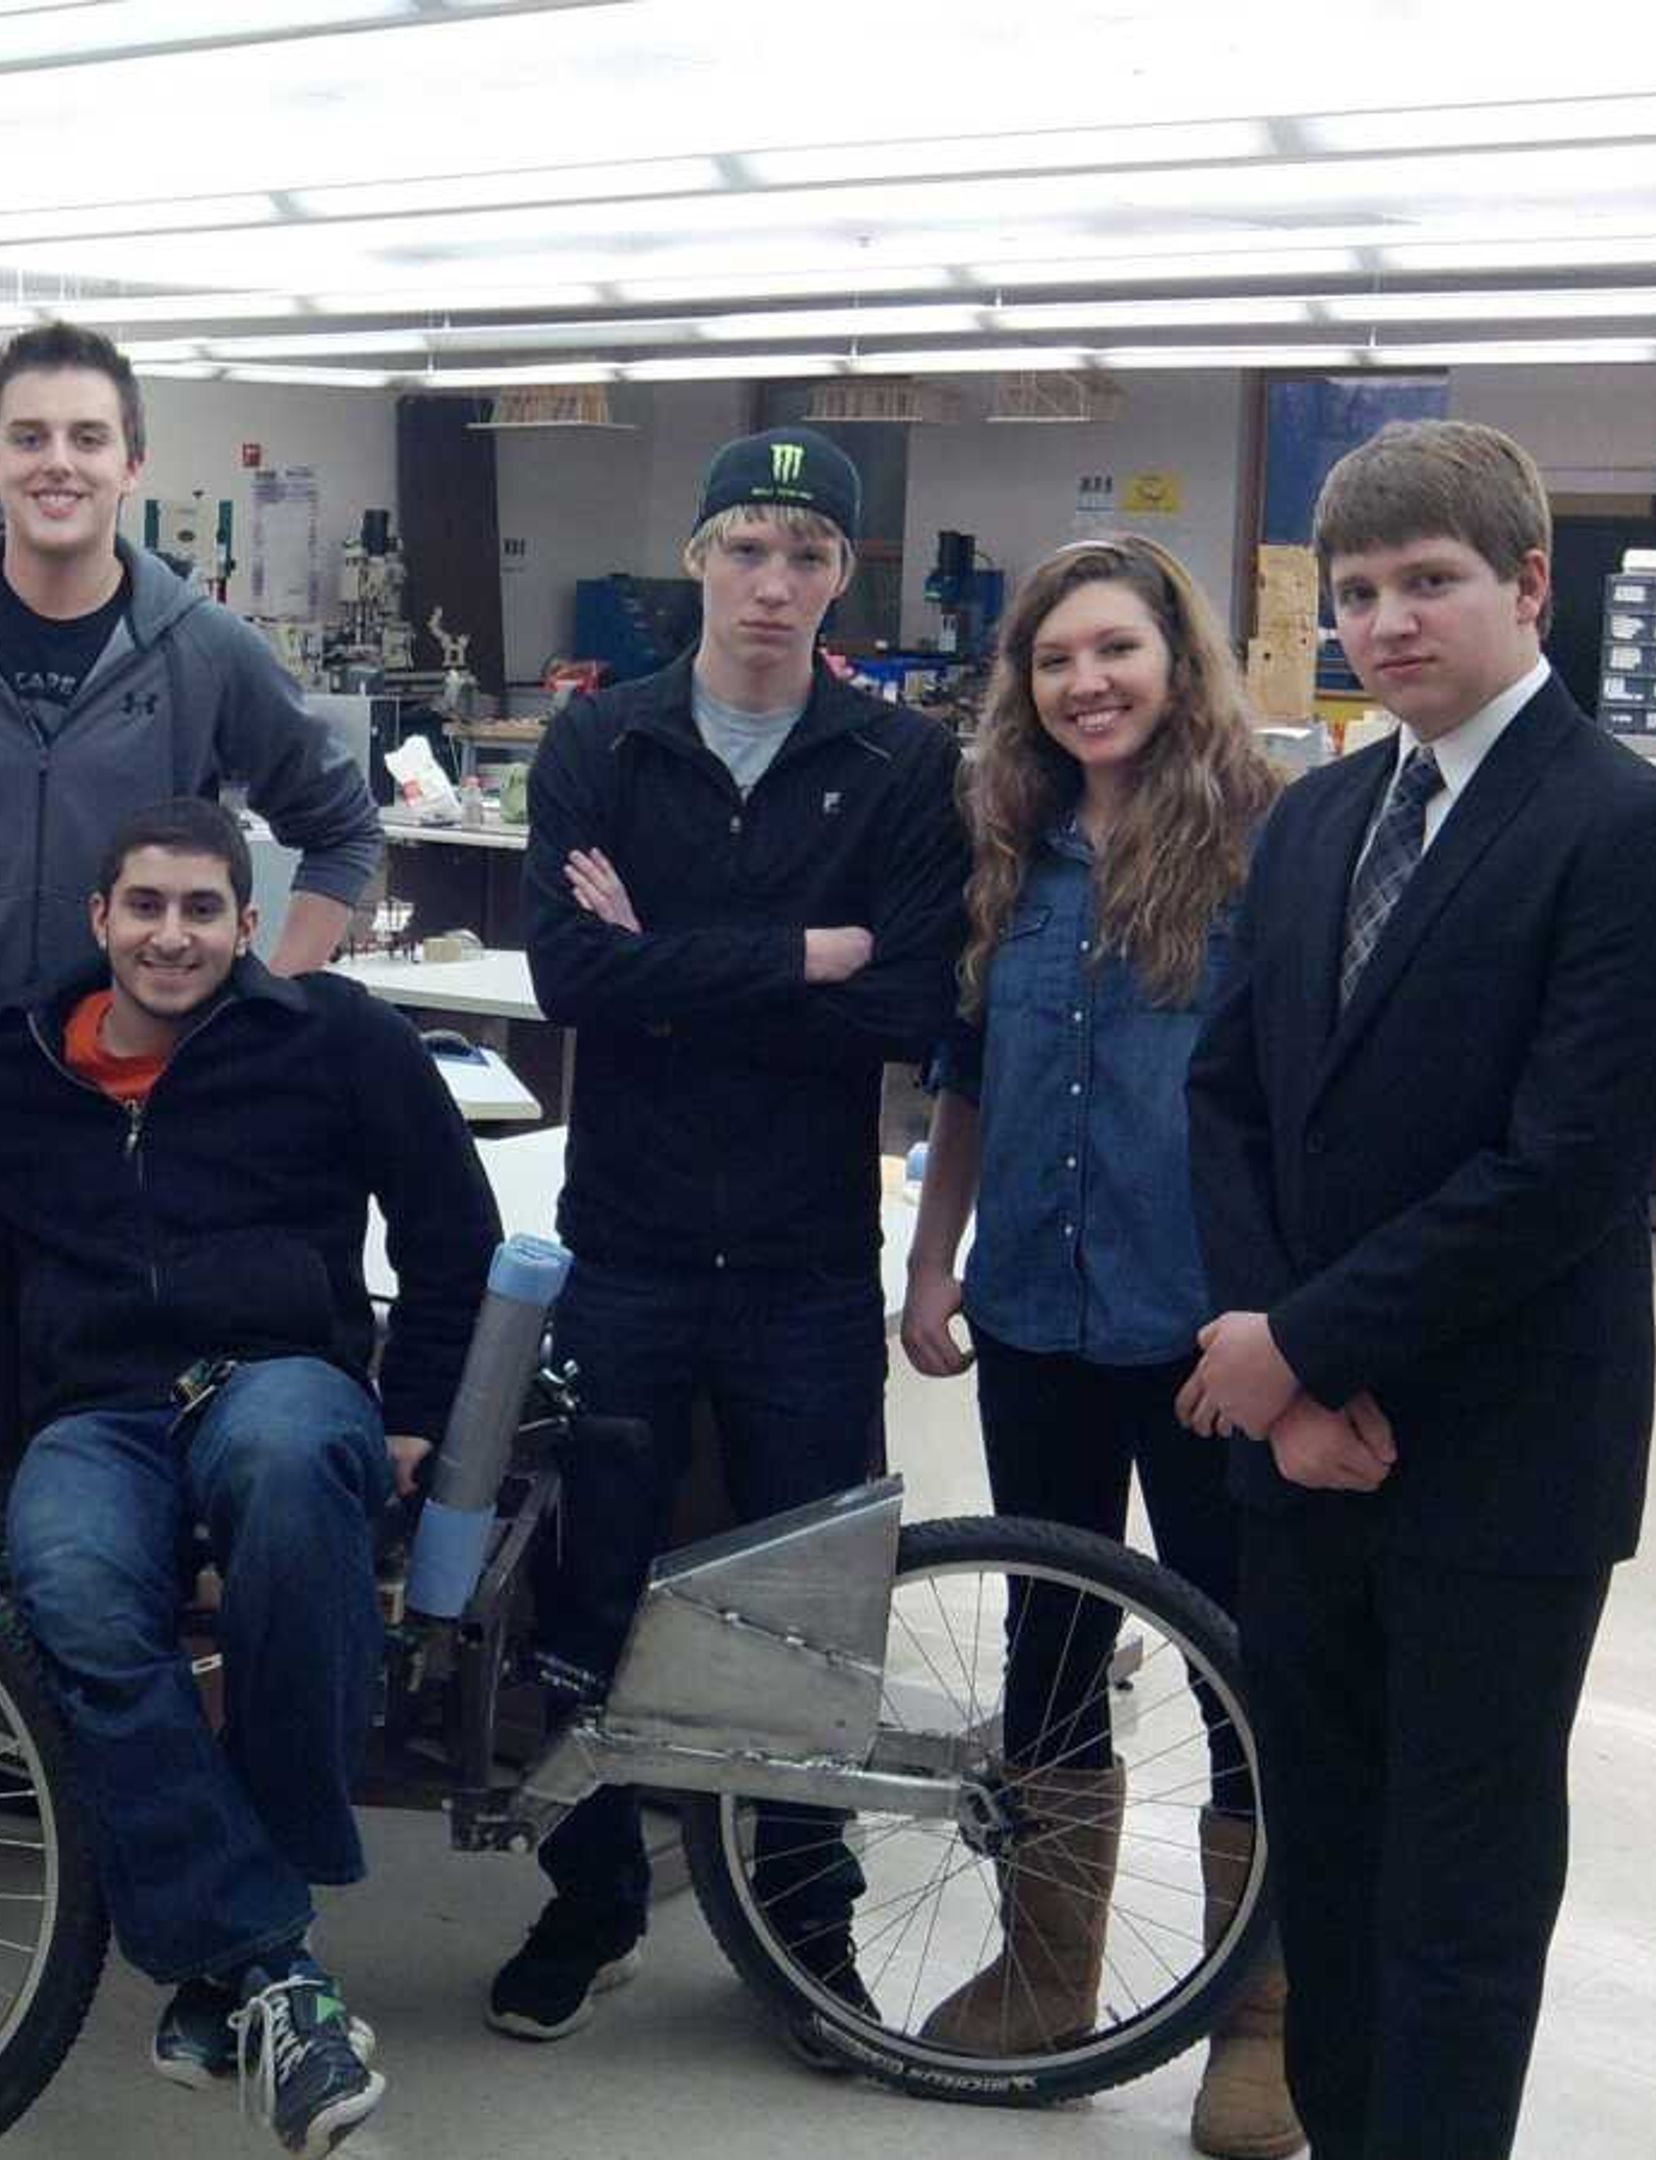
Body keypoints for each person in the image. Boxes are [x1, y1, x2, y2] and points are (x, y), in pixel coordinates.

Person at [0, 796, 496, 2158]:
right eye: (146, 908)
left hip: (276, 1377)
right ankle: (268, 1963)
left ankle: (245, 1923)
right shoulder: (19, 1066)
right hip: (101, 1411)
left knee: (298, 1476)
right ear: (100, 921)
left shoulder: (337, 1039)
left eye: (201, 911)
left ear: (248, 926)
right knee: (66, 1585)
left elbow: (452, 1228)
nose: (171, 937)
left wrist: (416, 1412)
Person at [1183, 419, 1656, 2158]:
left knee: (1460, 1890)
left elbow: (1564, 1168)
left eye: (1431, 581)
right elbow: (1228, 1099)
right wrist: (1282, 1376)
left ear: (1530, 588)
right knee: (1327, 1860)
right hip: (1305, 1456)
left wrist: (1304, 1346)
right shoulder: (1317, 816)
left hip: (1498, 1464)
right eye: (1358, 591)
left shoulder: (1625, 826)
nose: (1391, 621)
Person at [506, 424, 966, 2051]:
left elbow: (912, 1001)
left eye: (808, 555)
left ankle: (804, 1924)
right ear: (697, 560)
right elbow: (572, 981)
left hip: (806, 1270)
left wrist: (690, 967)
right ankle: (590, 1904)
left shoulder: (898, 765)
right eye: (747, 548)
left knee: (812, 1606)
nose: (774, 583)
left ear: (846, 576)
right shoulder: (605, 744)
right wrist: (802, 958)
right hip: (624, 1249)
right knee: (590, 1590)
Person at [0, 320, 382, 1470]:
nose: (58, 461)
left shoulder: (206, 649)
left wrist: (256, 1004)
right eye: (31, 436)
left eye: (87, 437)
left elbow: (341, 831)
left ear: (132, 465)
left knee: (115, 1443)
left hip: (131, 1125)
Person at [894, 533, 1297, 2156]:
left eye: (1115, 651)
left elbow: (1298, 1106)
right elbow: (966, 1074)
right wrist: (933, 1266)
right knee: (1048, 1641)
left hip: (1205, 1332)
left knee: (1234, 1662)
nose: (1087, 684)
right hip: (1038, 1317)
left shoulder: (1264, 849)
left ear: (1177, 660)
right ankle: (1043, 1972)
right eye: (1056, 661)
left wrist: (1288, 1319)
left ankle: (1255, 2019)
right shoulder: (1010, 842)